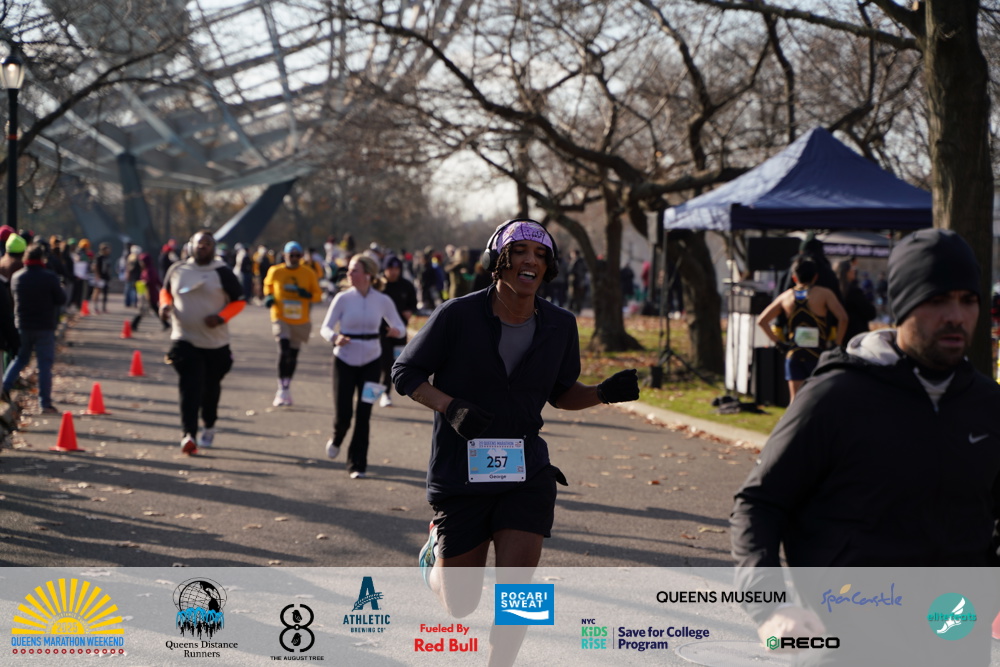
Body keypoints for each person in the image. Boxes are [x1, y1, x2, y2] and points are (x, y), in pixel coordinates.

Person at [731, 228, 1000, 665]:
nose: (955, 315)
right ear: (902, 305)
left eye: (967, 300)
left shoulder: (988, 405)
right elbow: (758, 503)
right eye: (936, 300)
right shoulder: (836, 396)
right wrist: (771, 609)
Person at [392, 218, 640, 666]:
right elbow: (405, 372)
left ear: (549, 267)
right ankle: (435, 554)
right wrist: (451, 406)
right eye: (520, 251)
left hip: (526, 471)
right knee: (460, 605)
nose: (531, 260)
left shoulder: (560, 325)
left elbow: (561, 394)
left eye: (541, 254)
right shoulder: (457, 315)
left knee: (519, 590)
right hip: (461, 470)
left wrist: (602, 393)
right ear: (498, 261)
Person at [159, 230, 246, 455]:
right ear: (191, 246)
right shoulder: (177, 269)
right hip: (184, 338)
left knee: (209, 388)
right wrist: (164, 307)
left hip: (215, 343)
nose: (202, 247)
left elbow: (239, 301)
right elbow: (165, 292)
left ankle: (208, 424)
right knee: (190, 386)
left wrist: (221, 318)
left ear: (213, 248)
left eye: (207, 244)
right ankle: (188, 434)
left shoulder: (222, 272)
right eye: (199, 243)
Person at [319, 254, 405, 479]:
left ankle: (357, 464)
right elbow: (325, 328)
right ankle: (337, 437)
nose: (349, 274)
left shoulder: (382, 300)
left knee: (364, 413)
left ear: (368, 274)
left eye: (354, 270)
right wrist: (335, 337)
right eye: (349, 270)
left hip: (372, 361)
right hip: (344, 360)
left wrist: (396, 331)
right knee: (344, 414)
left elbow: (401, 327)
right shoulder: (342, 299)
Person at [756, 256, 847, 403]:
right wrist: (837, 344)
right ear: (816, 276)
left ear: (794, 277)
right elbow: (843, 318)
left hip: (795, 354)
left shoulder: (786, 296)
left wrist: (779, 343)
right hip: (818, 354)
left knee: (795, 400)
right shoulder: (824, 294)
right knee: (819, 399)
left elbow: (762, 321)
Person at [2, 243, 67, 414]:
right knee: (44, 364)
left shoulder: (17, 277)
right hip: (44, 325)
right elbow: (61, 299)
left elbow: (13, 298)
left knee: (21, 358)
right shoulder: (49, 277)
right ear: (42, 259)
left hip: (23, 324)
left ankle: (5, 387)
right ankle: (45, 403)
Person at [263, 241, 322, 407]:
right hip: (280, 316)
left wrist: (307, 295)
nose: (294, 258)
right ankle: (281, 387)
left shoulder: (308, 273)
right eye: (291, 255)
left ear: (301, 256)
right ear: (284, 256)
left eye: (297, 255)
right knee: (284, 350)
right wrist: (269, 297)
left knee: (293, 355)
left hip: (300, 319)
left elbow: (318, 295)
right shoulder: (275, 271)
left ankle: (287, 386)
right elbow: (267, 286)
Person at [378, 255, 417, 408]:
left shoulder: (406, 285)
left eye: (396, 269)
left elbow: (413, 304)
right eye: (390, 268)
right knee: (385, 363)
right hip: (382, 332)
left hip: (400, 332)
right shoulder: (379, 285)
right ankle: (385, 393)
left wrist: (410, 311)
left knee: (397, 363)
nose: (393, 272)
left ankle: (394, 388)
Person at [834, 258, 876, 345]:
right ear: (847, 272)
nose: (854, 271)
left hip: (838, 334)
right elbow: (870, 313)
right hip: (856, 337)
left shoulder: (833, 290)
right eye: (852, 269)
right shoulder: (854, 291)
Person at [90, 242, 113, 314]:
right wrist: (97, 275)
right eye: (106, 249)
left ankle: (104, 308)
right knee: (97, 291)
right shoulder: (98, 257)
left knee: (105, 293)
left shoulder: (107, 257)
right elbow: (94, 266)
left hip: (106, 277)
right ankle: (95, 307)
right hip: (100, 277)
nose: (108, 251)